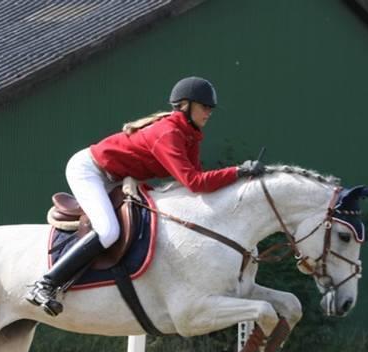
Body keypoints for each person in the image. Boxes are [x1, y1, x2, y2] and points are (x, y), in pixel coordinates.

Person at [26, 76, 265, 316]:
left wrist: (238, 176)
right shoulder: (169, 133)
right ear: (185, 105)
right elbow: (193, 183)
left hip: (114, 177)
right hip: (90, 171)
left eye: (210, 108)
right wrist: (238, 171)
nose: (209, 112)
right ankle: (45, 283)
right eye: (205, 106)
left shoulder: (189, 135)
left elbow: (196, 180)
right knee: (108, 231)